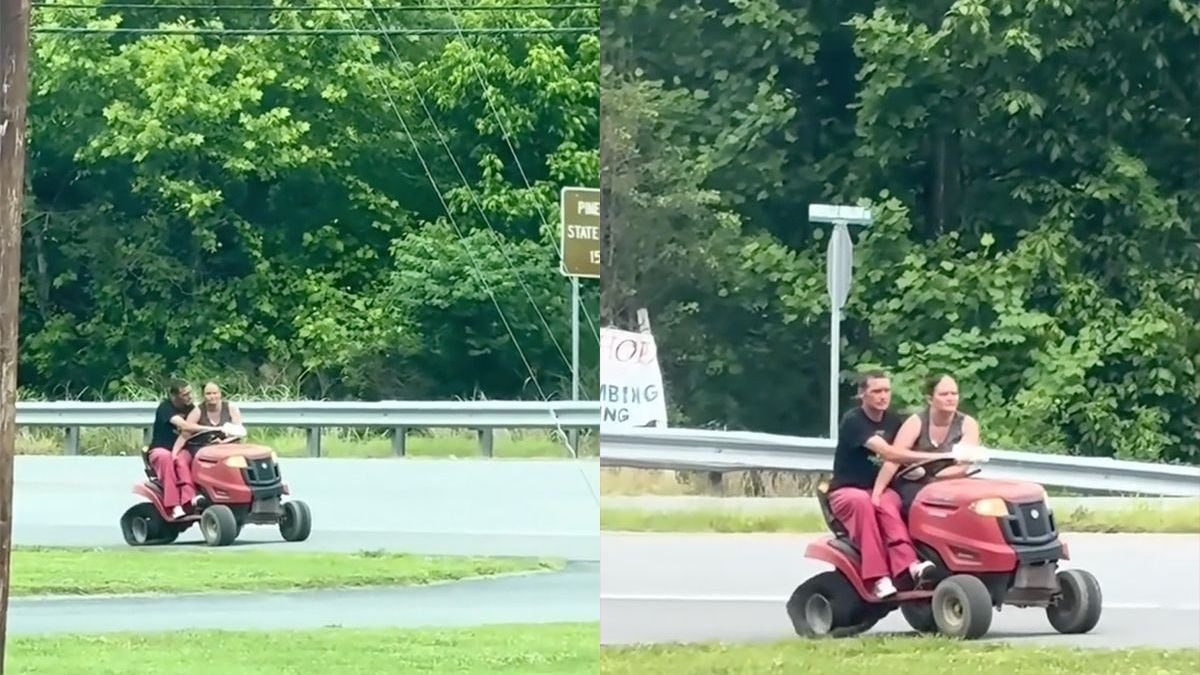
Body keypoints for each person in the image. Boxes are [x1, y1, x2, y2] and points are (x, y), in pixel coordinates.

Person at [827, 370, 973, 599]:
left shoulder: (894, 420)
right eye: (876, 391)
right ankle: (878, 578)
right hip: (847, 490)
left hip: (880, 488)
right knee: (864, 503)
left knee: (891, 504)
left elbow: (903, 455)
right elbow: (889, 453)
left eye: (886, 390)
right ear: (862, 394)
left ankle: (910, 565)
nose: (883, 396)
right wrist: (932, 458)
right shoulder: (853, 420)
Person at [871, 373, 982, 509]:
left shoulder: (968, 424)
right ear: (930, 399)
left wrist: (934, 480)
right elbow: (894, 458)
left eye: (954, 394)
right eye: (944, 394)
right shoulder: (916, 422)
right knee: (916, 503)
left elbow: (962, 466)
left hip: (950, 482)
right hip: (915, 481)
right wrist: (877, 493)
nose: (950, 398)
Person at [148, 379, 223, 519]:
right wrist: (213, 428)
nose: (190, 396)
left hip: (183, 448)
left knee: (189, 458)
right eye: (185, 394)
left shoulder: (191, 408)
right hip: (161, 449)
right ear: (174, 396)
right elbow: (185, 426)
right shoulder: (165, 407)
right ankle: (174, 505)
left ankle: (191, 498)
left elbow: (195, 429)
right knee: (167, 458)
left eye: (190, 393)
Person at [173, 381, 245, 454]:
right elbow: (185, 434)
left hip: (229, 448)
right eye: (208, 394)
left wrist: (223, 442)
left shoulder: (231, 408)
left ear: (220, 394)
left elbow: (239, 432)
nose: (212, 396)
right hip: (205, 449)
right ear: (203, 396)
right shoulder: (198, 411)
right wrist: (174, 454)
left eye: (215, 393)